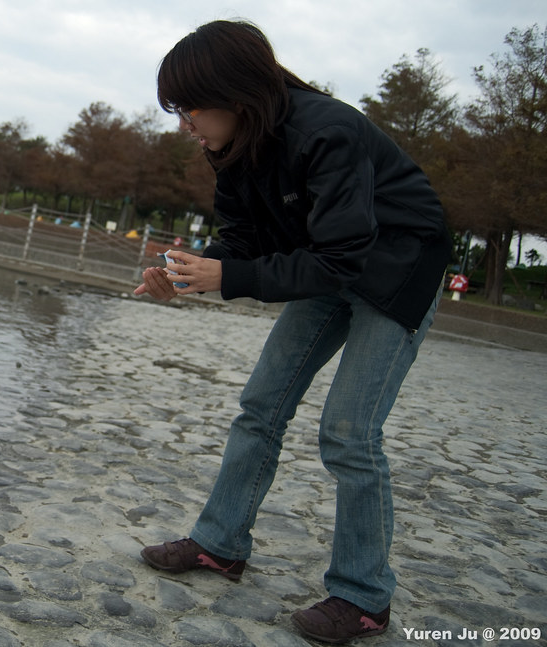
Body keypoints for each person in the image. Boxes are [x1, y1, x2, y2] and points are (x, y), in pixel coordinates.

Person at [134, 20, 451, 644]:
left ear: (233, 93)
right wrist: (190, 272)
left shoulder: (327, 130)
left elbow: (341, 258)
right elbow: (244, 240)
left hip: (397, 269)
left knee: (349, 432)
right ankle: (219, 545)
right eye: (177, 111)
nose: (185, 125)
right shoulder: (232, 146)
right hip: (326, 263)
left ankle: (363, 597)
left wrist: (229, 276)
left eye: (189, 109)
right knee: (261, 406)